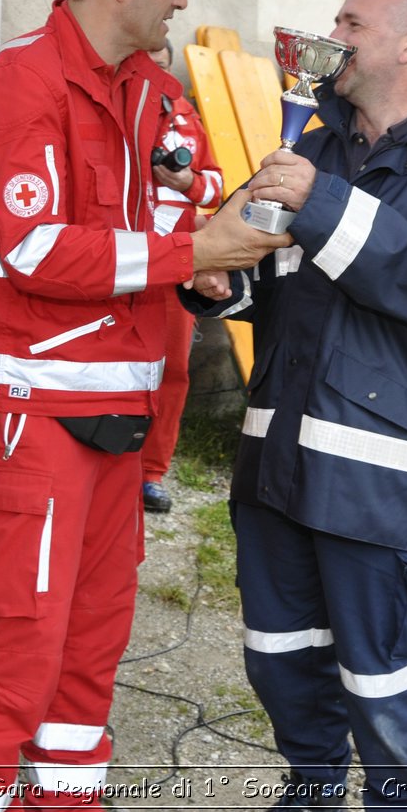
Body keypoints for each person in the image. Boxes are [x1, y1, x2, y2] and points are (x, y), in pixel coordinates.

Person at [0, 0, 288, 812]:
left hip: (122, 417)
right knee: (23, 642)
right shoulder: (17, 82)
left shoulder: (160, 94)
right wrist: (190, 250)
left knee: (93, 642)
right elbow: (37, 246)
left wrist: (211, 264)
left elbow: (185, 210)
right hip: (34, 413)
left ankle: (67, 799)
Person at [187, 0, 407, 810]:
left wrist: (319, 202)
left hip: (376, 485)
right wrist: (219, 283)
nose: (332, 34)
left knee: (385, 683)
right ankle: (314, 787)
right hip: (275, 463)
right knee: (280, 658)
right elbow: (275, 283)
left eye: (350, 22)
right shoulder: (316, 147)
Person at [139, 37, 223, 512]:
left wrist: (187, 181)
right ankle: (112, 462)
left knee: (172, 370)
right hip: (124, 261)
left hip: (175, 263)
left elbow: (215, 184)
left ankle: (151, 473)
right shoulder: (114, 109)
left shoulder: (187, 118)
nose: (157, 77)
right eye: (147, 66)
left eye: (163, 68)